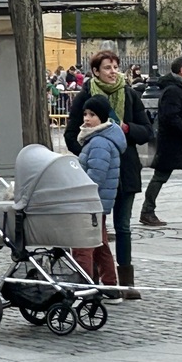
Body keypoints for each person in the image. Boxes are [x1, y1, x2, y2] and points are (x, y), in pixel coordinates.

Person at [64, 50, 151, 300]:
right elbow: (71, 134)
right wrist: (92, 153)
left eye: (115, 67)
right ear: (95, 72)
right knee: (94, 229)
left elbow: (146, 131)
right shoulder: (85, 97)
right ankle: (94, 280)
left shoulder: (131, 95)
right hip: (95, 175)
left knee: (122, 227)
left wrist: (126, 128)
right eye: (107, 67)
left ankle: (125, 282)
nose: (113, 72)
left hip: (125, 170)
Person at [71, 96, 125, 297]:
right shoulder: (98, 139)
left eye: (92, 115)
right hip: (97, 202)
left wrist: (78, 191)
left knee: (83, 245)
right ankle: (110, 287)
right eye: (85, 114)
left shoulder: (100, 142)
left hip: (90, 202)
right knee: (100, 244)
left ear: (102, 118)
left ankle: (85, 287)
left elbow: (96, 176)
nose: (86, 118)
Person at [140, 56, 182, 227]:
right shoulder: (173, 90)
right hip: (176, 143)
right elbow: (170, 116)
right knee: (163, 176)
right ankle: (147, 211)